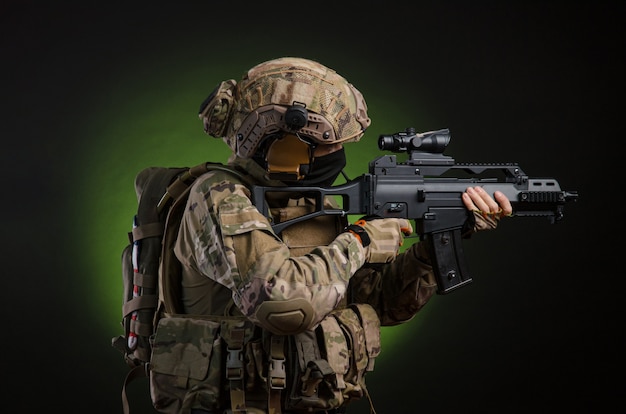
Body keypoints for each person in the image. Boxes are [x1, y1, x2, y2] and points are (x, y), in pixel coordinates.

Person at [149, 57, 512, 414]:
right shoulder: (217, 196)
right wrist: (361, 242)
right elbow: (282, 304)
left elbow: (377, 302)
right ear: (280, 144)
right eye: (327, 144)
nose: (338, 154)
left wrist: (436, 244)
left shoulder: (305, 200)